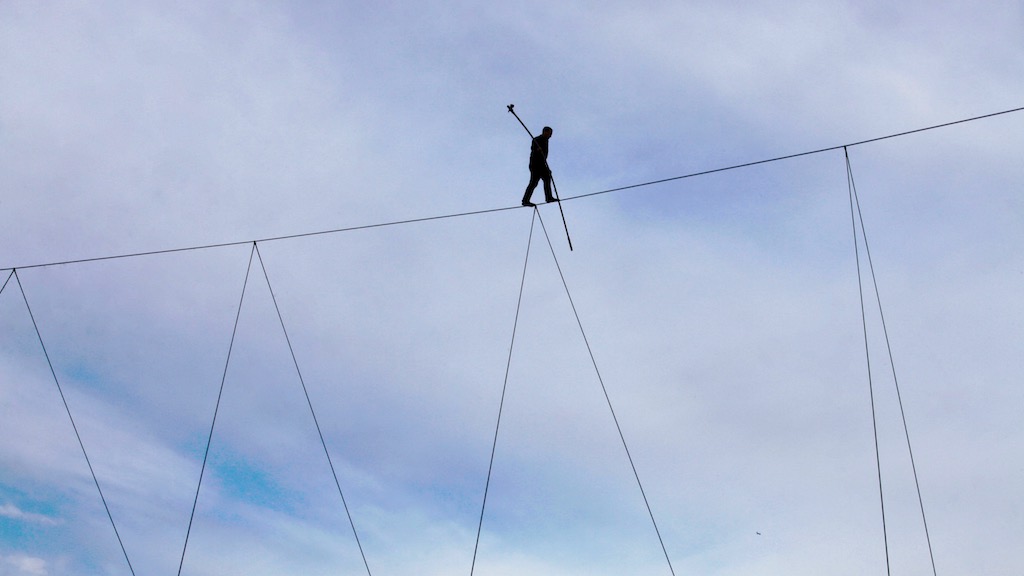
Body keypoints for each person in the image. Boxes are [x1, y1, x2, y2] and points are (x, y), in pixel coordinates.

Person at [521, 126, 556, 206]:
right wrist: (537, 149)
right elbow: (533, 147)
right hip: (535, 164)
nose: (550, 136)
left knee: (547, 177)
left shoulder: (546, 140)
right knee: (533, 183)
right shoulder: (537, 139)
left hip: (541, 164)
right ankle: (525, 201)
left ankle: (549, 197)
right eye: (550, 133)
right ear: (545, 132)